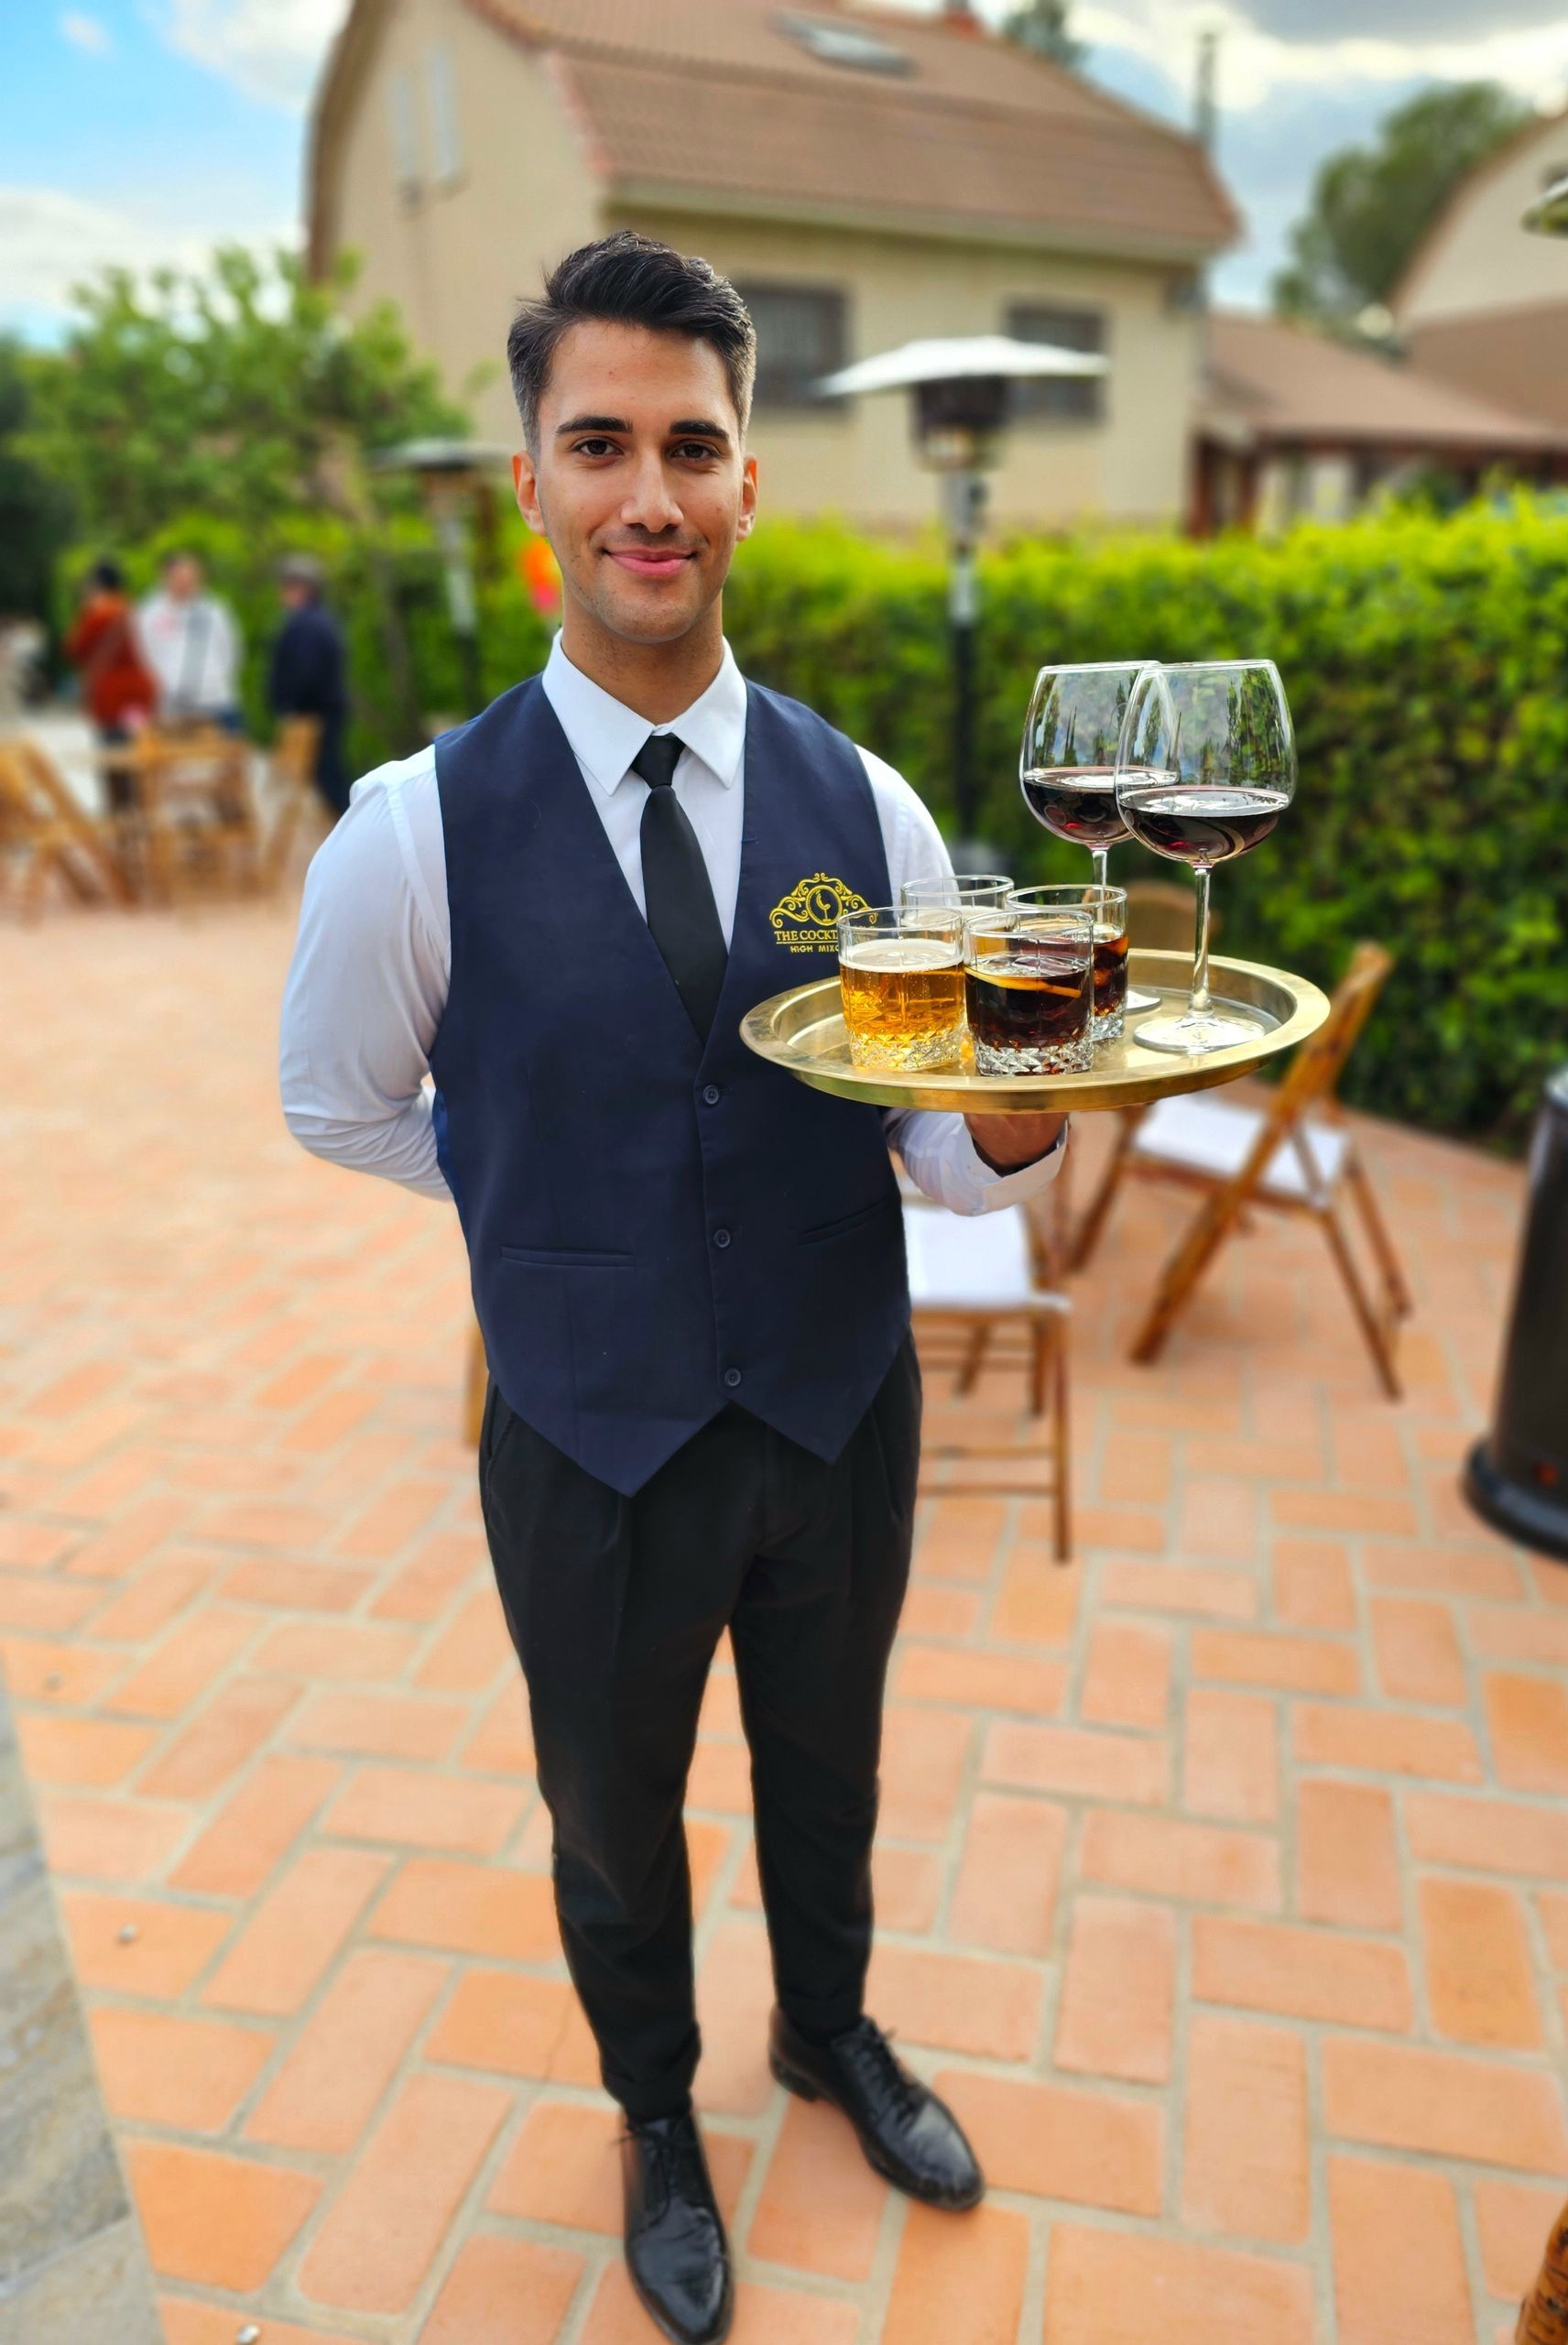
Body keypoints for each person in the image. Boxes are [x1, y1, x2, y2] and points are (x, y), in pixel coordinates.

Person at [280, 231, 1066, 2345]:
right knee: (614, 1819)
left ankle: (827, 2027)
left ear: (747, 486)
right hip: (589, 1436)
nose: (651, 491)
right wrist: (534, 1207)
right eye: (602, 442)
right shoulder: (414, 827)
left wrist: (1018, 1119)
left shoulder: (869, 806)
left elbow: (930, 1138)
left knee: (831, 1761)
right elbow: (337, 1099)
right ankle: (655, 2108)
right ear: (532, 483)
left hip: (834, 1405)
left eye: (692, 447)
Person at [62, 562, 158, 812]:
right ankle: (144, 807)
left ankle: (120, 812)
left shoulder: (99, 613)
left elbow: (73, 648)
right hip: (140, 695)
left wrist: (85, 610)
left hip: (111, 699)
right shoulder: (132, 608)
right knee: (138, 752)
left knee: (113, 756)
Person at [268, 555, 351, 820]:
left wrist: (291, 706)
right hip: (324, 711)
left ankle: (348, 826)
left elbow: (304, 671)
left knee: (327, 779)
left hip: (314, 715)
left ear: (301, 589)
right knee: (327, 776)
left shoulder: (305, 624)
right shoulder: (320, 620)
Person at [137, 551, 243, 730]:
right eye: (181, 576)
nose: (187, 582)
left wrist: (213, 682)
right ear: (166, 577)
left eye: (192, 576)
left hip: (217, 703)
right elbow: (142, 657)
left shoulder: (215, 611)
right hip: (170, 707)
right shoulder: (149, 614)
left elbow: (232, 651)